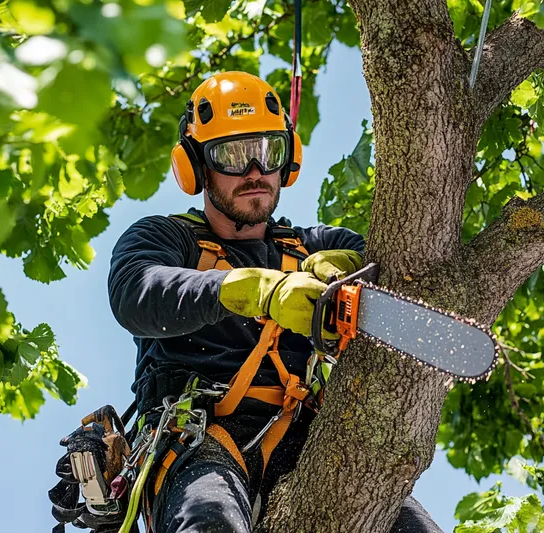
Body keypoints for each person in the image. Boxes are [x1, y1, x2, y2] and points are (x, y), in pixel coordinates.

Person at [107, 71, 442, 533]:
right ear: (196, 167)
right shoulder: (168, 238)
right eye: (233, 155)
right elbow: (135, 291)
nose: (254, 172)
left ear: (289, 158)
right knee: (210, 521)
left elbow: (402, 270)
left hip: (314, 439)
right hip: (200, 437)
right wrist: (250, 290)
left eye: (269, 152)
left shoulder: (313, 244)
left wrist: (347, 264)